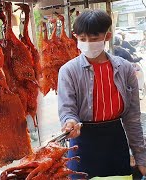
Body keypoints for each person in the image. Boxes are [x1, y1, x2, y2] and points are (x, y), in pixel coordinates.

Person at [58, 9, 146, 179]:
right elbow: (67, 109)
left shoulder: (125, 69)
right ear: (75, 36)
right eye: (82, 39)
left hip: (115, 140)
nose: (88, 44)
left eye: (94, 39)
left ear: (107, 36)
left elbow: (132, 117)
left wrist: (141, 157)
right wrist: (70, 122)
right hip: (82, 143)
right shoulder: (68, 71)